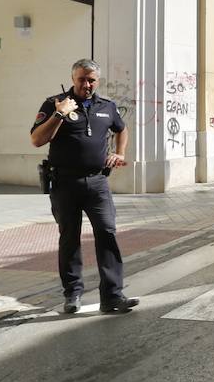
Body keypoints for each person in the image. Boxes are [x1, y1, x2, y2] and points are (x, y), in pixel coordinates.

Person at [30, 59, 139, 314]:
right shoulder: (55, 103)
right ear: (73, 78)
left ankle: (112, 296)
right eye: (81, 79)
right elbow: (36, 140)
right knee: (69, 239)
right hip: (64, 183)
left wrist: (120, 153)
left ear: (97, 81)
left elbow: (121, 130)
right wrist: (59, 114)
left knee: (107, 233)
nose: (86, 84)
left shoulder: (107, 106)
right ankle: (72, 295)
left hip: (98, 182)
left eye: (91, 80)